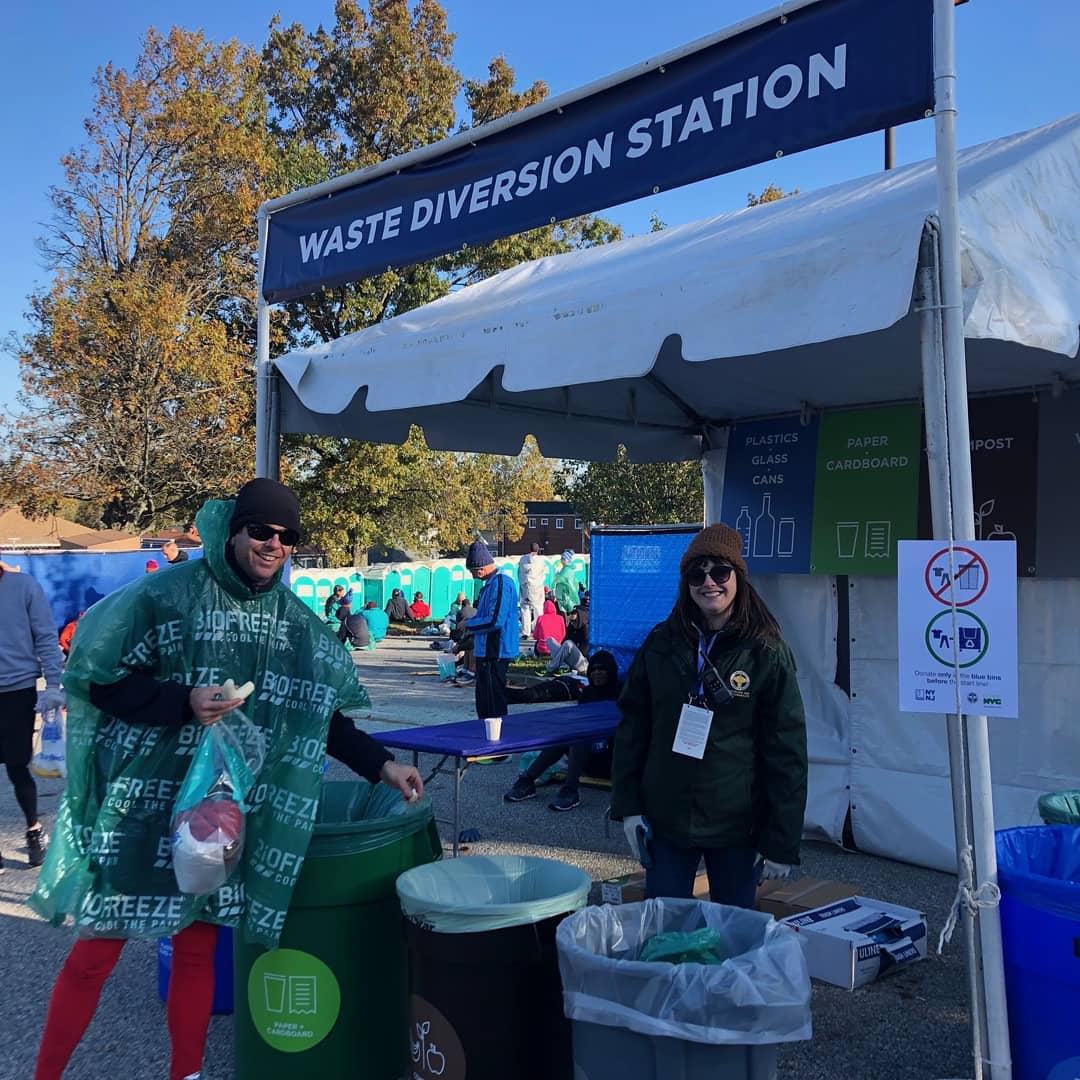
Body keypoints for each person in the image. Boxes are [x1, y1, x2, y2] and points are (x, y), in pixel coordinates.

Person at [30, 478, 422, 1080]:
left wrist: (382, 764)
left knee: (196, 947)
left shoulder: (289, 620)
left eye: (286, 536)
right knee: (97, 947)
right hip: (144, 798)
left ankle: (185, 1073)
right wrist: (182, 699)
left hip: (219, 814)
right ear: (234, 530)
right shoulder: (169, 596)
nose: (273, 544)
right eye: (260, 531)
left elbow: (318, 711)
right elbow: (101, 680)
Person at [610, 524, 807, 908]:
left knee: (734, 939)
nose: (709, 583)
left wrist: (781, 842)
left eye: (720, 572)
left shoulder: (764, 652)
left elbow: (787, 753)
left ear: (738, 578)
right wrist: (628, 807)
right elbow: (633, 728)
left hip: (737, 824)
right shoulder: (661, 644)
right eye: (697, 574)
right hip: (666, 820)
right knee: (665, 932)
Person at [0, 564, 64, 871]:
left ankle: (34, 829)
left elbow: (46, 634)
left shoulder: (23, 586)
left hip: (17, 689)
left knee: (16, 766)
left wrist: (53, 684)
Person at [504, 651, 621, 812]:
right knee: (567, 736)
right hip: (589, 754)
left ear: (610, 670)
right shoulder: (588, 693)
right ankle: (527, 780)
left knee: (579, 737)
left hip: (612, 757)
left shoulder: (621, 694)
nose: (597, 673)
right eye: (593, 669)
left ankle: (570, 790)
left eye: (602, 669)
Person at [463, 540, 518, 719]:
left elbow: (496, 620)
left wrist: (469, 625)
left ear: (481, 568)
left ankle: (497, 736)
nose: (472, 577)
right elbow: (484, 616)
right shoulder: (489, 585)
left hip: (495, 650)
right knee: (483, 699)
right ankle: (485, 732)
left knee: (493, 700)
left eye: (472, 572)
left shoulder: (501, 583)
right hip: (484, 650)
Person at [517, 542, 547, 639]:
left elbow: (519, 572)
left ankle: (526, 632)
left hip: (525, 587)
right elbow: (543, 574)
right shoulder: (540, 560)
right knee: (538, 609)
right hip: (537, 588)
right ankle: (539, 630)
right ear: (538, 550)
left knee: (525, 609)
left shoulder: (523, 559)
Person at [553, 550, 578, 616]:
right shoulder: (569, 569)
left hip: (566, 598)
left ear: (566, 560)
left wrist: (556, 574)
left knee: (565, 616)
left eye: (562, 559)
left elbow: (559, 579)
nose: (561, 560)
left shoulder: (566, 570)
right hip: (567, 597)